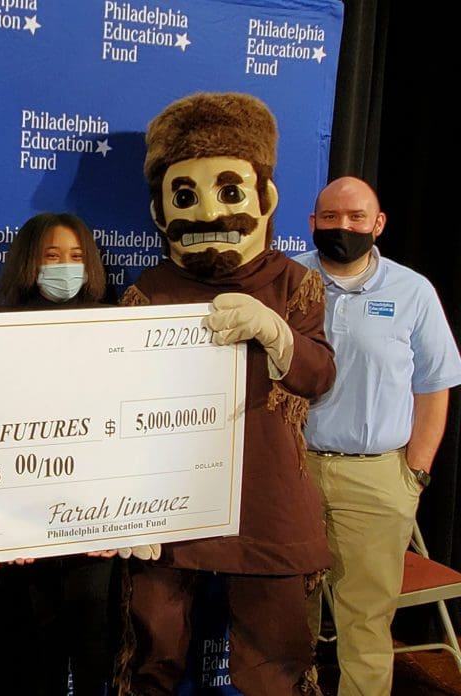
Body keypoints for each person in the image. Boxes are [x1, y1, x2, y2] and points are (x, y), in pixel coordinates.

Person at [118, 92, 336, 695]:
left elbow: (319, 377)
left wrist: (278, 334)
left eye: (230, 191)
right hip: (169, 499)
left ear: (265, 198)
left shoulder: (295, 282)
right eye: (185, 196)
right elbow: (118, 402)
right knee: (154, 650)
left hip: (267, 496)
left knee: (275, 657)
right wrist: (122, 504)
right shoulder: (147, 290)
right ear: (161, 211)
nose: (210, 210)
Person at [293, 176, 461, 696]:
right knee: (285, 621)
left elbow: (434, 386)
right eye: (330, 218)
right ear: (313, 223)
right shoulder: (287, 281)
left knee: (364, 627)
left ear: (378, 223)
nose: (342, 227)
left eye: (355, 217)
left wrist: (415, 473)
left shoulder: (412, 292)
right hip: (292, 471)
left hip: (375, 478)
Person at [0, 212, 119, 695]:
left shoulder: (117, 324)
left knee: (92, 655)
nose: (65, 266)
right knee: (25, 659)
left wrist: (124, 519)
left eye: (76, 256)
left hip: (96, 524)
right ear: (29, 261)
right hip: (21, 528)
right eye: (52, 256)